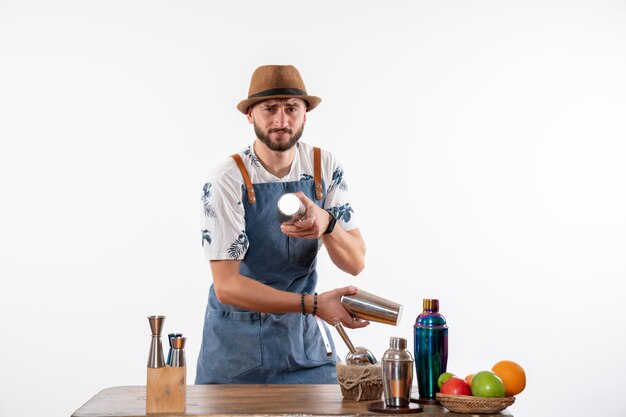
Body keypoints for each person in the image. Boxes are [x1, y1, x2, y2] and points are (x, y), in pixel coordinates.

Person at [196, 65, 367, 384]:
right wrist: (314, 305)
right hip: (236, 353)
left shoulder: (324, 166)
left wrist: (327, 224)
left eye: (291, 108)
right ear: (250, 115)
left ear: (305, 114)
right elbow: (228, 287)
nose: (281, 120)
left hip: (303, 350)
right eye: (269, 108)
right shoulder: (227, 178)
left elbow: (355, 262)